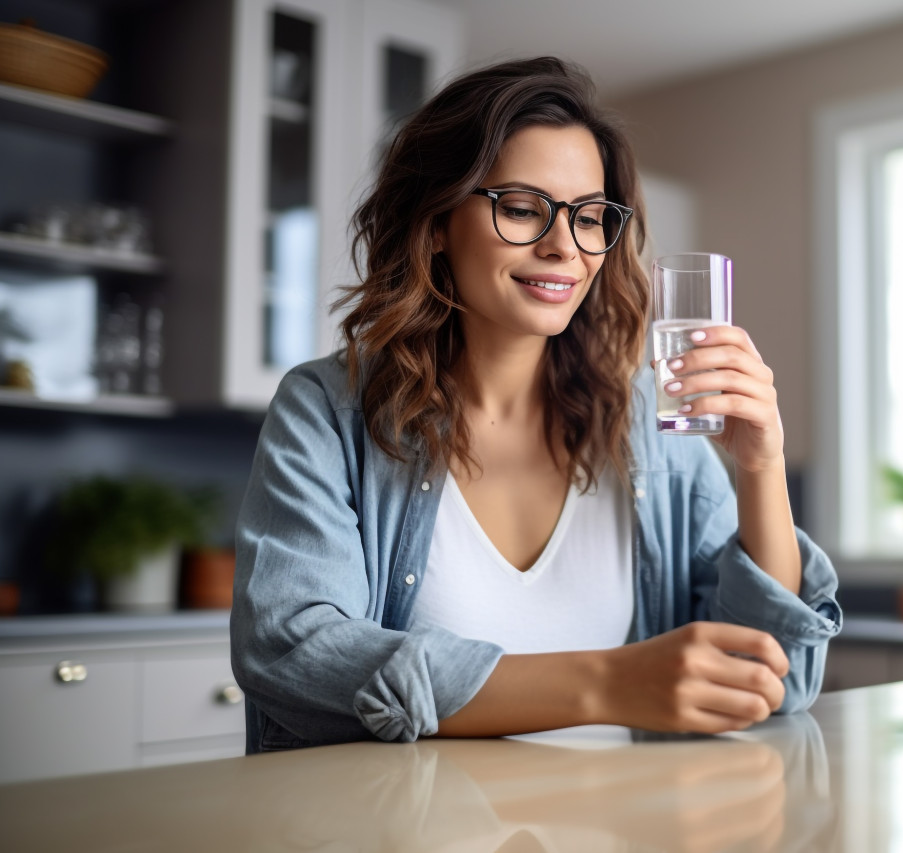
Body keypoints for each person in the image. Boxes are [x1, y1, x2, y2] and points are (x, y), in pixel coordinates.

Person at [231, 56, 841, 753]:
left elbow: (773, 681)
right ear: (435, 223)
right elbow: (291, 650)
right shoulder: (327, 412)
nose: (563, 247)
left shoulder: (651, 426)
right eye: (522, 209)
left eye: (589, 218)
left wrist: (762, 465)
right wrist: (606, 683)